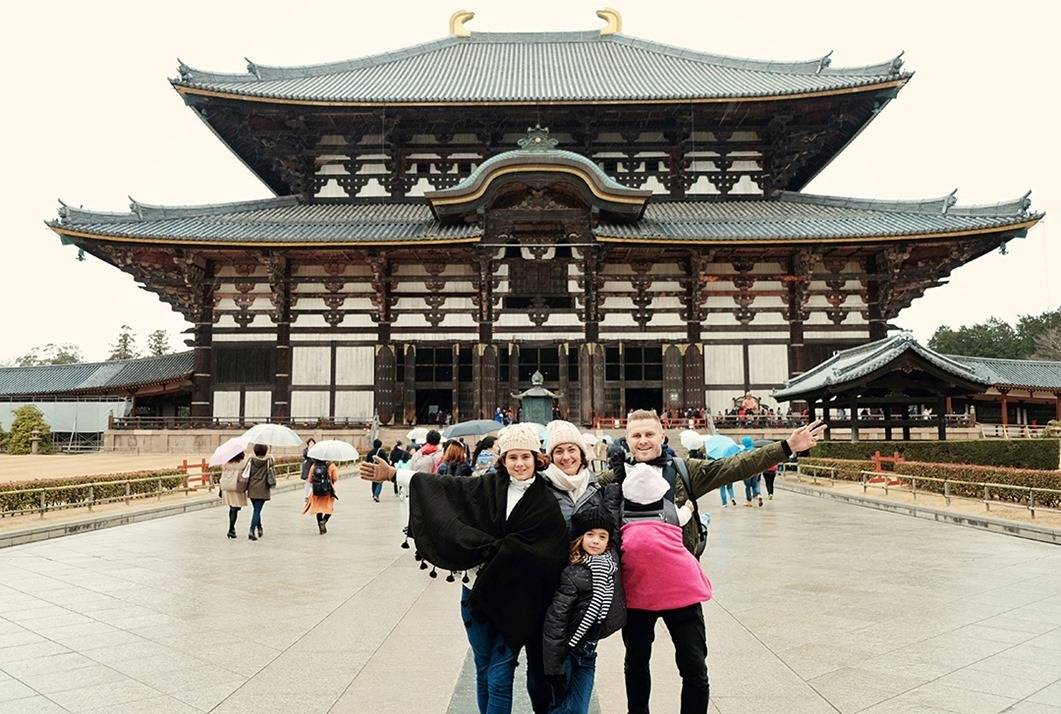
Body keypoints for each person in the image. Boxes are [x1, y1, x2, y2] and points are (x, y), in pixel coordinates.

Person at [597, 409, 825, 713]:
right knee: (635, 663)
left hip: (680, 589)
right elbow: (577, 495)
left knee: (694, 666)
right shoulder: (613, 478)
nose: (643, 441)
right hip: (635, 590)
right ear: (627, 440)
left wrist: (785, 447)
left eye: (649, 434)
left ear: (662, 436)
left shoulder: (683, 470)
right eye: (636, 435)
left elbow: (734, 466)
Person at [360, 423, 568, 713]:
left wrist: (508, 553)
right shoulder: (487, 487)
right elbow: (444, 488)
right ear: (503, 460)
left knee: (499, 673)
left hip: (520, 600)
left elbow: (550, 552)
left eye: (525, 456)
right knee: (483, 668)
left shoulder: (545, 501)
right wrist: (395, 474)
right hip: (477, 592)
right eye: (512, 457)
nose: (519, 464)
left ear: (536, 458)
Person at [543, 507, 625, 714]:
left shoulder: (610, 564)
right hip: (568, 650)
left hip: (589, 650)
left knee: (579, 708)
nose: (596, 541)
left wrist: (614, 487)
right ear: (580, 537)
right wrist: (553, 665)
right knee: (562, 705)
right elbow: (556, 620)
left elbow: (614, 517)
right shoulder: (573, 573)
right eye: (590, 535)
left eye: (602, 536)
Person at [245, 444, 276, 541]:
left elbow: (246, 471)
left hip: (252, 487)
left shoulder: (251, 460)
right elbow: (273, 468)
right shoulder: (268, 461)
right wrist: (270, 456)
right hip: (262, 488)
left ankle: (259, 527)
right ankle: (251, 530)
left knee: (256, 509)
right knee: (257, 510)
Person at [303, 458, 339, 534]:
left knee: (318, 510)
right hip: (327, 491)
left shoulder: (314, 466)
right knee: (329, 509)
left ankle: (320, 528)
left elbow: (309, 479)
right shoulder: (331, 466)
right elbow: (335, 478)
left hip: (316, 491)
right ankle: (324, 521)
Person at [218, 451, 247, 539]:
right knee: (235, 508)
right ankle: (231, 529)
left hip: (227, 487)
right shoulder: (242, 463)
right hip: (236, 487)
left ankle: (231, 528)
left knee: (232, 508)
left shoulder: (225, 463)